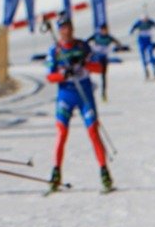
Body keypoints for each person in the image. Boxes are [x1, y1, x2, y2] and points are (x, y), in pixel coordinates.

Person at [46, 16, 112, 193]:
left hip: (84, 94)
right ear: (59, 31)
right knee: (61, 132)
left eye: (68, 28)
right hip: (66, 94)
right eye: (62, 29)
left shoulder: (83, 47)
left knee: (92, 131)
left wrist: (85, 63)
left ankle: (104, 171)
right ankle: (56, 172)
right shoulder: (55, 50)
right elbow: (49, 76)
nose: (66, 32)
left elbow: (99, 67)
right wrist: (63, 75)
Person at [87, 23, 125, 102]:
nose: (105, 31)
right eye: (103, 30)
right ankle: (89, 89)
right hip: (95, 58)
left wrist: (119, 47)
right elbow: (86, 42)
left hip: (103, 59)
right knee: (88, 73)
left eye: (106, 30)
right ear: (101, 30)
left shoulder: (109, 37)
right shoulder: (96, 36)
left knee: (103, 76)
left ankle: (103, 94)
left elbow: (118, 43)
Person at [128, 12, 155, 81]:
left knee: (151, 56)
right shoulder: (139, 22)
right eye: (144, 20)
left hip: (148, 41)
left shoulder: (150, 21)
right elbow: (134, 27)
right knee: (143, 56)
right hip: (141, 41)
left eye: (146, 19)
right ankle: (146, 71)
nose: (145, 21)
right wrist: (131, 31)